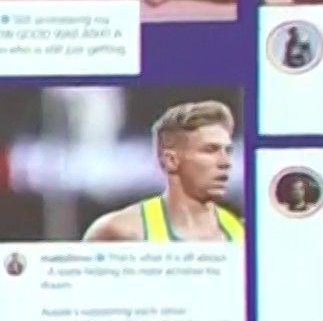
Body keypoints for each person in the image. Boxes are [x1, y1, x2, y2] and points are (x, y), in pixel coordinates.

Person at [84, 101, 243, 243]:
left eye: (228, 150)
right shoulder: (118, 231)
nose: (225, 162)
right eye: (210, 150)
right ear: (171, 160)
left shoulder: (243, 233)